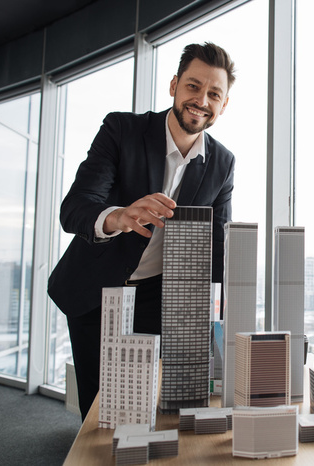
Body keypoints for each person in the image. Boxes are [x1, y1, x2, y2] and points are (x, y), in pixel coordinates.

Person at [48, 42, 236, 420]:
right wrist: (119, 216)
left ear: (224, 104)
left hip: (157, 296)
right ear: (173, 86)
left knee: (148, 402)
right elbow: (75, 208)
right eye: (193, 87)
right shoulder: (122, 130)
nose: (201, 100)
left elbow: (218, 247)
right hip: (97, 289)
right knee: (100, 409)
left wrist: (226, 310)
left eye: (214, 94)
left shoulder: (223, 163)